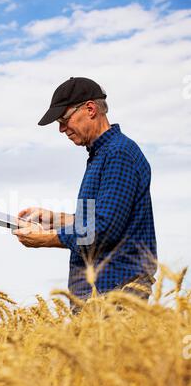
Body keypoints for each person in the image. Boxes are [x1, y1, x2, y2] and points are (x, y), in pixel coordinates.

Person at [13, 77, 157, 304]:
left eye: (64, 119)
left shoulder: (118, 154)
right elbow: (97, 220)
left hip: (116, 290)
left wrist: (46, 239)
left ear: (90, 109)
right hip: (100, 292)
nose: (61, 129)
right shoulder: (101, 156)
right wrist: (54, 219)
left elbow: (101, 230)